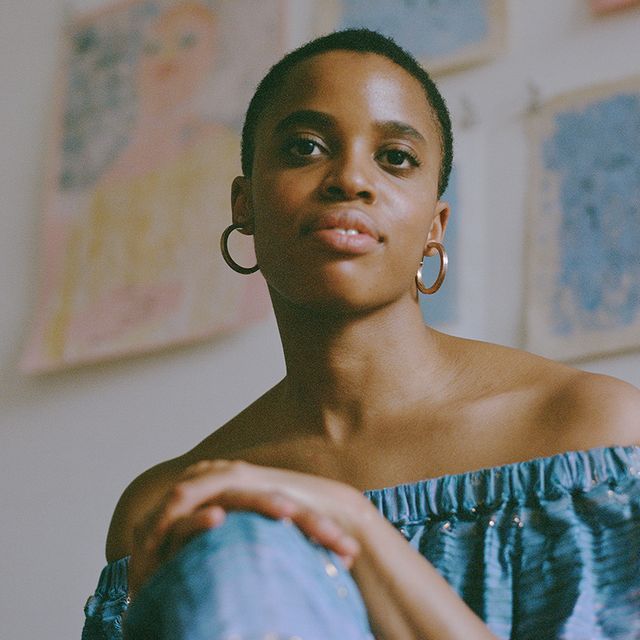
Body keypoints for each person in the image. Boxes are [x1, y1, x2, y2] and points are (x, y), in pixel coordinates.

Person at [82, 29, 640, 640]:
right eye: (305, 148)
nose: (350, 178)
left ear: (435, 226)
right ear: (244, 205)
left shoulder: (592, 434)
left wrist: (354, 522)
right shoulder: (168, 506)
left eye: (395, 158)